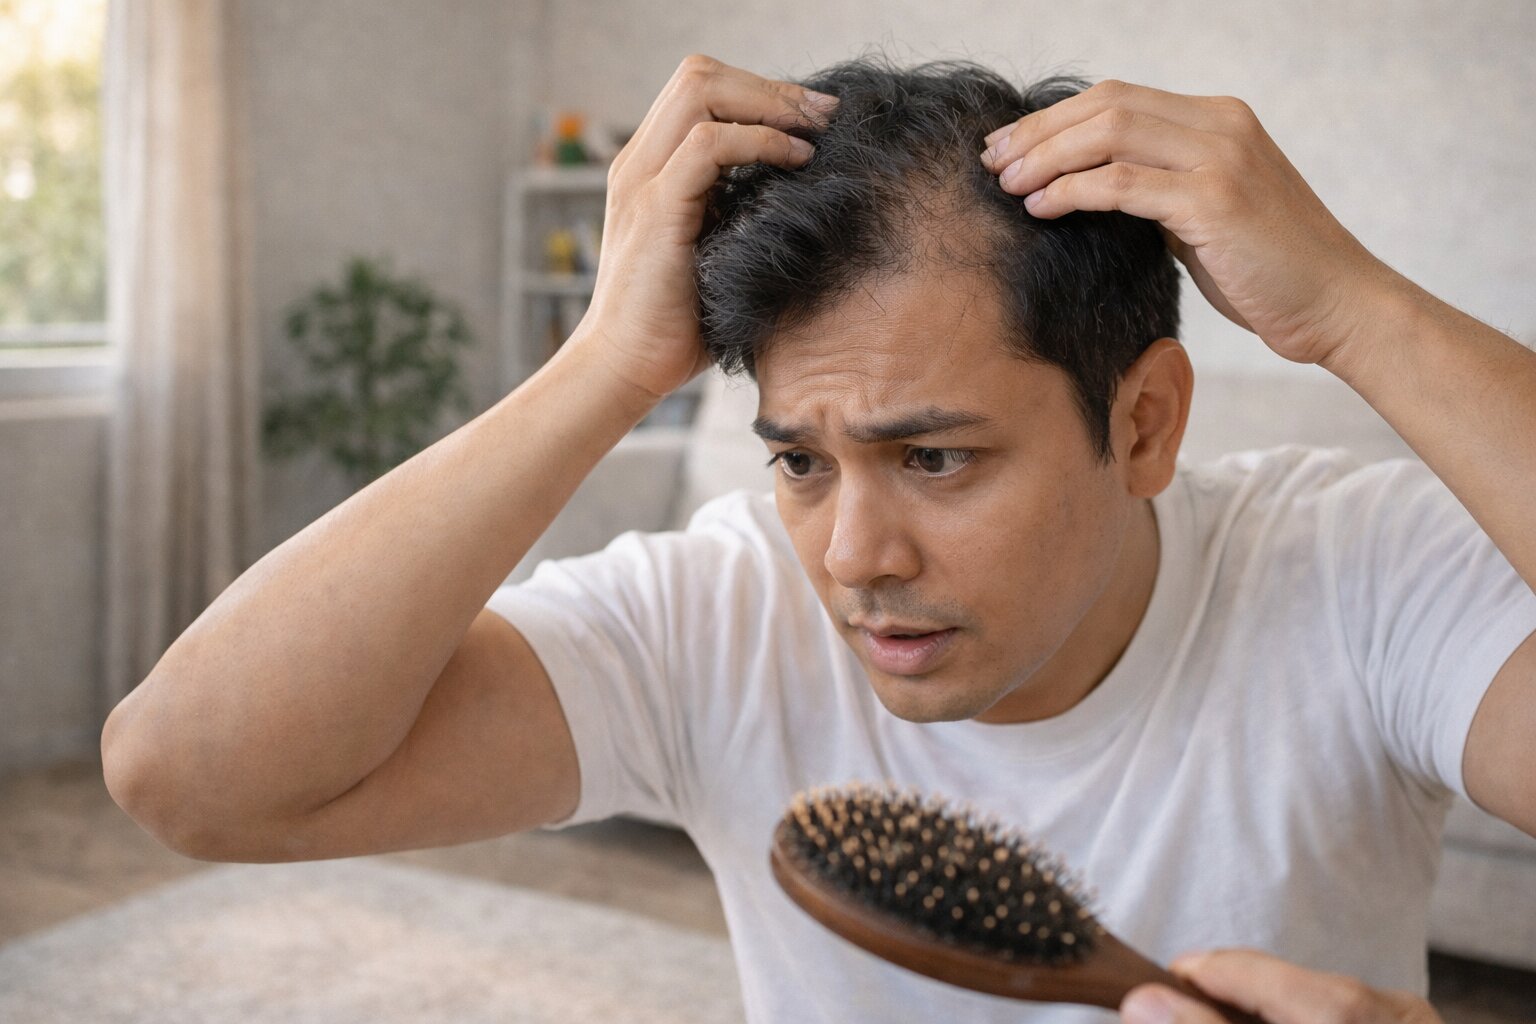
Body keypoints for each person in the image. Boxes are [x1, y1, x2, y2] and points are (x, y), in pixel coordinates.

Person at [100, 53, 1536, 1024]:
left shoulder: (1353, 574)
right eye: (799, 460)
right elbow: (193, 777)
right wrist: (604, 363)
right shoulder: (721, 614)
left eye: (934, 457)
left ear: (1147, 423)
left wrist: (1356, 308)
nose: (853, 554)